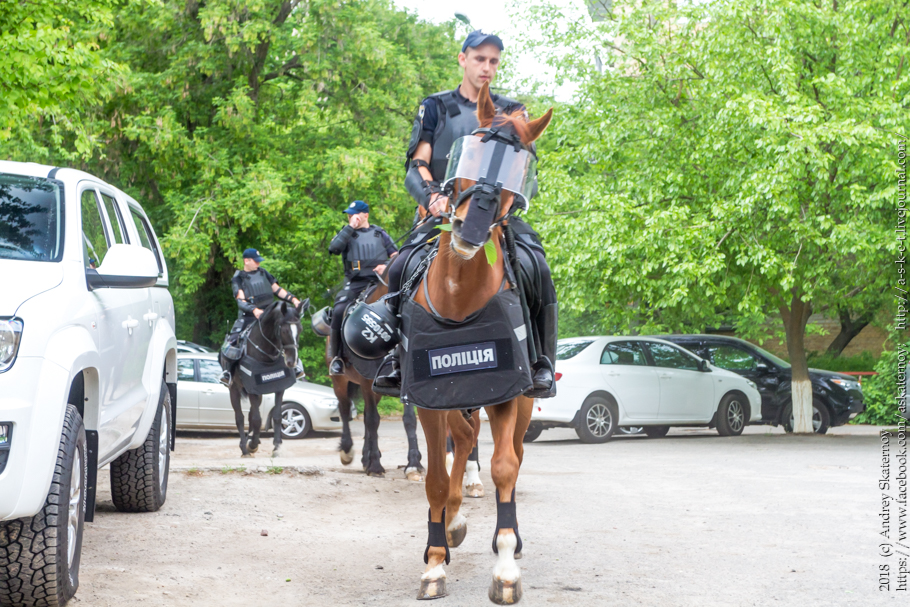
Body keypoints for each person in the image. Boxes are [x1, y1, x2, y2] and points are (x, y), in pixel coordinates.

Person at [373, 30, 558, 398]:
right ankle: (396, 358)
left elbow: (526, 173)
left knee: (537, 266)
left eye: (493, 60)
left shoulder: (513, 111)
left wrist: (504, 208)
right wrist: (434, 199)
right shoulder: (436, 106)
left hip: (497, 216)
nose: (486, 67)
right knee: (400, 267)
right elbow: (417, 165)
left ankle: (542, 362)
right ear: (463, 59)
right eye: (479, 59)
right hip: (441, 211)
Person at [327, 200, 398, 375]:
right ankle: (337, 359)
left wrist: (386, 267)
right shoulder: (346, 233)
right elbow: (334, 249)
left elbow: (397, 256)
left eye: (355, 214)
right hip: (355, 282)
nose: (352, 217)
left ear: (365, 215)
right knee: (338, 310)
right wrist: (350, 226)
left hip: (379, 281)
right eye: (350, 215)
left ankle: (399, 356)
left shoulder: (380, 233)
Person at [219, 248, 301, 386]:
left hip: (269, 316)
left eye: (258, 261)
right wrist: (254, 309)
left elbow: (278, 290)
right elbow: (240, 300)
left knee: (288, 332)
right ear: (246, 261)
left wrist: (293, 299)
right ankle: (228, 373)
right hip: (249, 317)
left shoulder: (264, 273)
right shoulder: (238, 278)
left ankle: (297, 366)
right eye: (255, 261)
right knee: (233, 340)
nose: (258, 263)